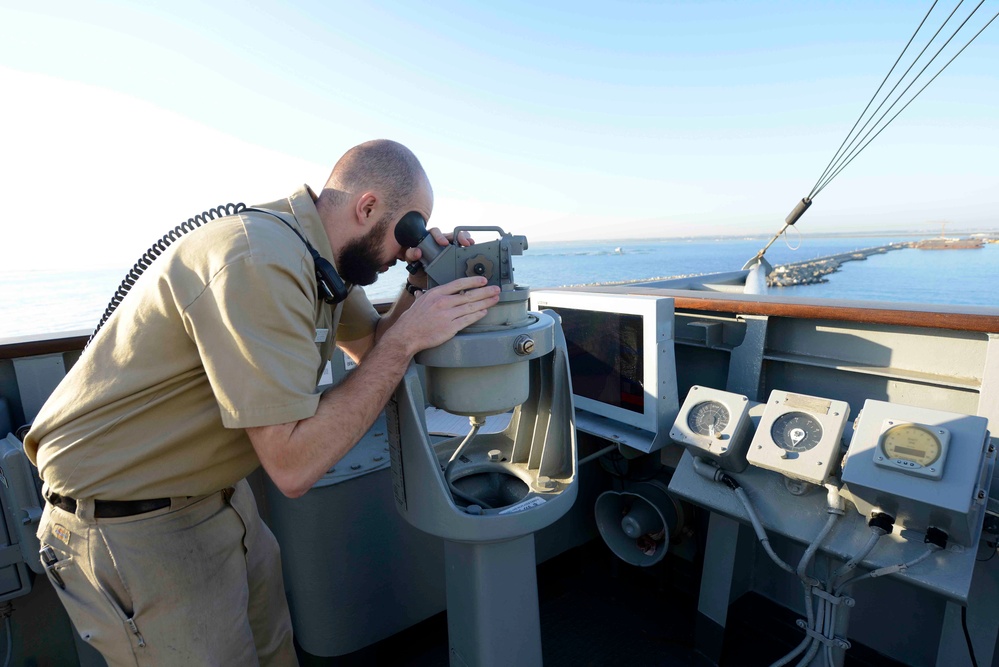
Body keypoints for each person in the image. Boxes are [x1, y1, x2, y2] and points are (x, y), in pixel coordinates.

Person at [23, 139, 500, 665]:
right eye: (407, 229)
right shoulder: (260, 258)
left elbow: (371, 349)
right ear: (366, 208)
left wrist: (420, 280)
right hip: (129, 521)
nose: (405, 246)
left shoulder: (318, 258)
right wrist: (410, 338)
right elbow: (295, 467)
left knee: (274, 653)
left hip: (216, 498)